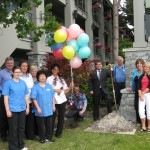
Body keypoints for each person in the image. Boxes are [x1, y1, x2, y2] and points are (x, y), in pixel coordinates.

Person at [2, 66, 29, 150]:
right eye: (16, 72)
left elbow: (26, 95)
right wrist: (7, 110)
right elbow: (5, 97)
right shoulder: (8, 83)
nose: (18, 73)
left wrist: (27, 107)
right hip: (12, 109)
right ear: (12, 73)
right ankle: (13, 147)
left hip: (22, 108)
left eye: (19, 72)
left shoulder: (23, 83)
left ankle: (21, 146)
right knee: (13, 129)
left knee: (21, 128)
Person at [46, 63, 74, 138]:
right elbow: (46, 89)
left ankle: (59, 133)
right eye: (54, 69)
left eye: (57, 69)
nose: (56, 70)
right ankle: (50, 133)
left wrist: (70, 87)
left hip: (62, 100)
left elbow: (65, 91)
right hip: (53, 100)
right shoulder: (48, 79)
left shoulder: (61, 79)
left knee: (61, 117)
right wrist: (55, 90)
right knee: (52, 117)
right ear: (52, 70)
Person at [31, 70, 55, 143]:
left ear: (46, 77)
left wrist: (53, 106)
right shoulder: (35, 87)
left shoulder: (49, 86)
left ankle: (49, 137)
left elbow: (52, 97)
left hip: (49, 109)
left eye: (44, 76)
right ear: (38, 77)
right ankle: (42, 138)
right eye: (41, 76)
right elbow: (33, 98)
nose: (42, 77)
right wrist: (37, 108)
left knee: (49, 125)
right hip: (40, 109)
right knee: (41, 125)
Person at [18, 60, 34, 140]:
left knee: (30, 119)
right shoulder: (17, 75)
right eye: (23, 66)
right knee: (22, 120)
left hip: (30, 100)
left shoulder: (29, 75)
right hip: (21, 101)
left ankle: (30, 135)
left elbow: (32, 86)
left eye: (26, 66)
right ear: (20, 66)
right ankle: (22, 136)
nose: (25, 67)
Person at [0, 57, 14, 141]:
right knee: (3, 116)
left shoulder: (14, 72)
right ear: (5, 64)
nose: (10, 64)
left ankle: (11, 133)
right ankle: (3, 135)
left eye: (11, 63)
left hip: (12, 98)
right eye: (8, 63)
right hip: (3, 96)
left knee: (11, 115)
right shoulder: (1, 73)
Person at [131, 59, 145, 124]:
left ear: (142, 64)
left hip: (143, 92)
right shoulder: (135, 72)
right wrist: (132, 88)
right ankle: (138, 121)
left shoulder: (145, 72)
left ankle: (144, 123)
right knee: (136, 106)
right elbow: (133, 81)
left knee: (143, 107)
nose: (139, 64)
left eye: (140, 63)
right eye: (137, 63)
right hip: (136, 91)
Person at [138, 63, 150, 132]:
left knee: (149, 110)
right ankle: (143, 126)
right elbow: (138, 86)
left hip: (148, 94)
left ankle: (149, 126)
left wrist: (142, 93)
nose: (146, 68)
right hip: (141, 94)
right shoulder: (141, 76)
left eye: (148, 67)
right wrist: (140, 94)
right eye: (145, 67)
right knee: (141, 111)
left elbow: (149, 87)